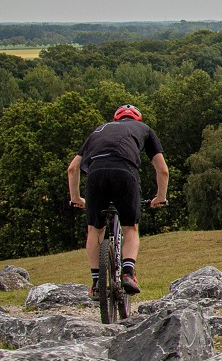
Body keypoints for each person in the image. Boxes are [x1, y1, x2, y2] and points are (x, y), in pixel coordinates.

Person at [65, 104, 166, 297]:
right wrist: (160, 197)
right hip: (125, 172)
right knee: (130, 227)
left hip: (95, 174)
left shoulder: (98, 131)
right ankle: (128, 273)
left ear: (115, 119)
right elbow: (162, 170)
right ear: (138, 120)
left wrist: (76, 198)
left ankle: (96, 283)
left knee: (94, 230)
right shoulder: (144, 129)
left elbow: (72, 169)